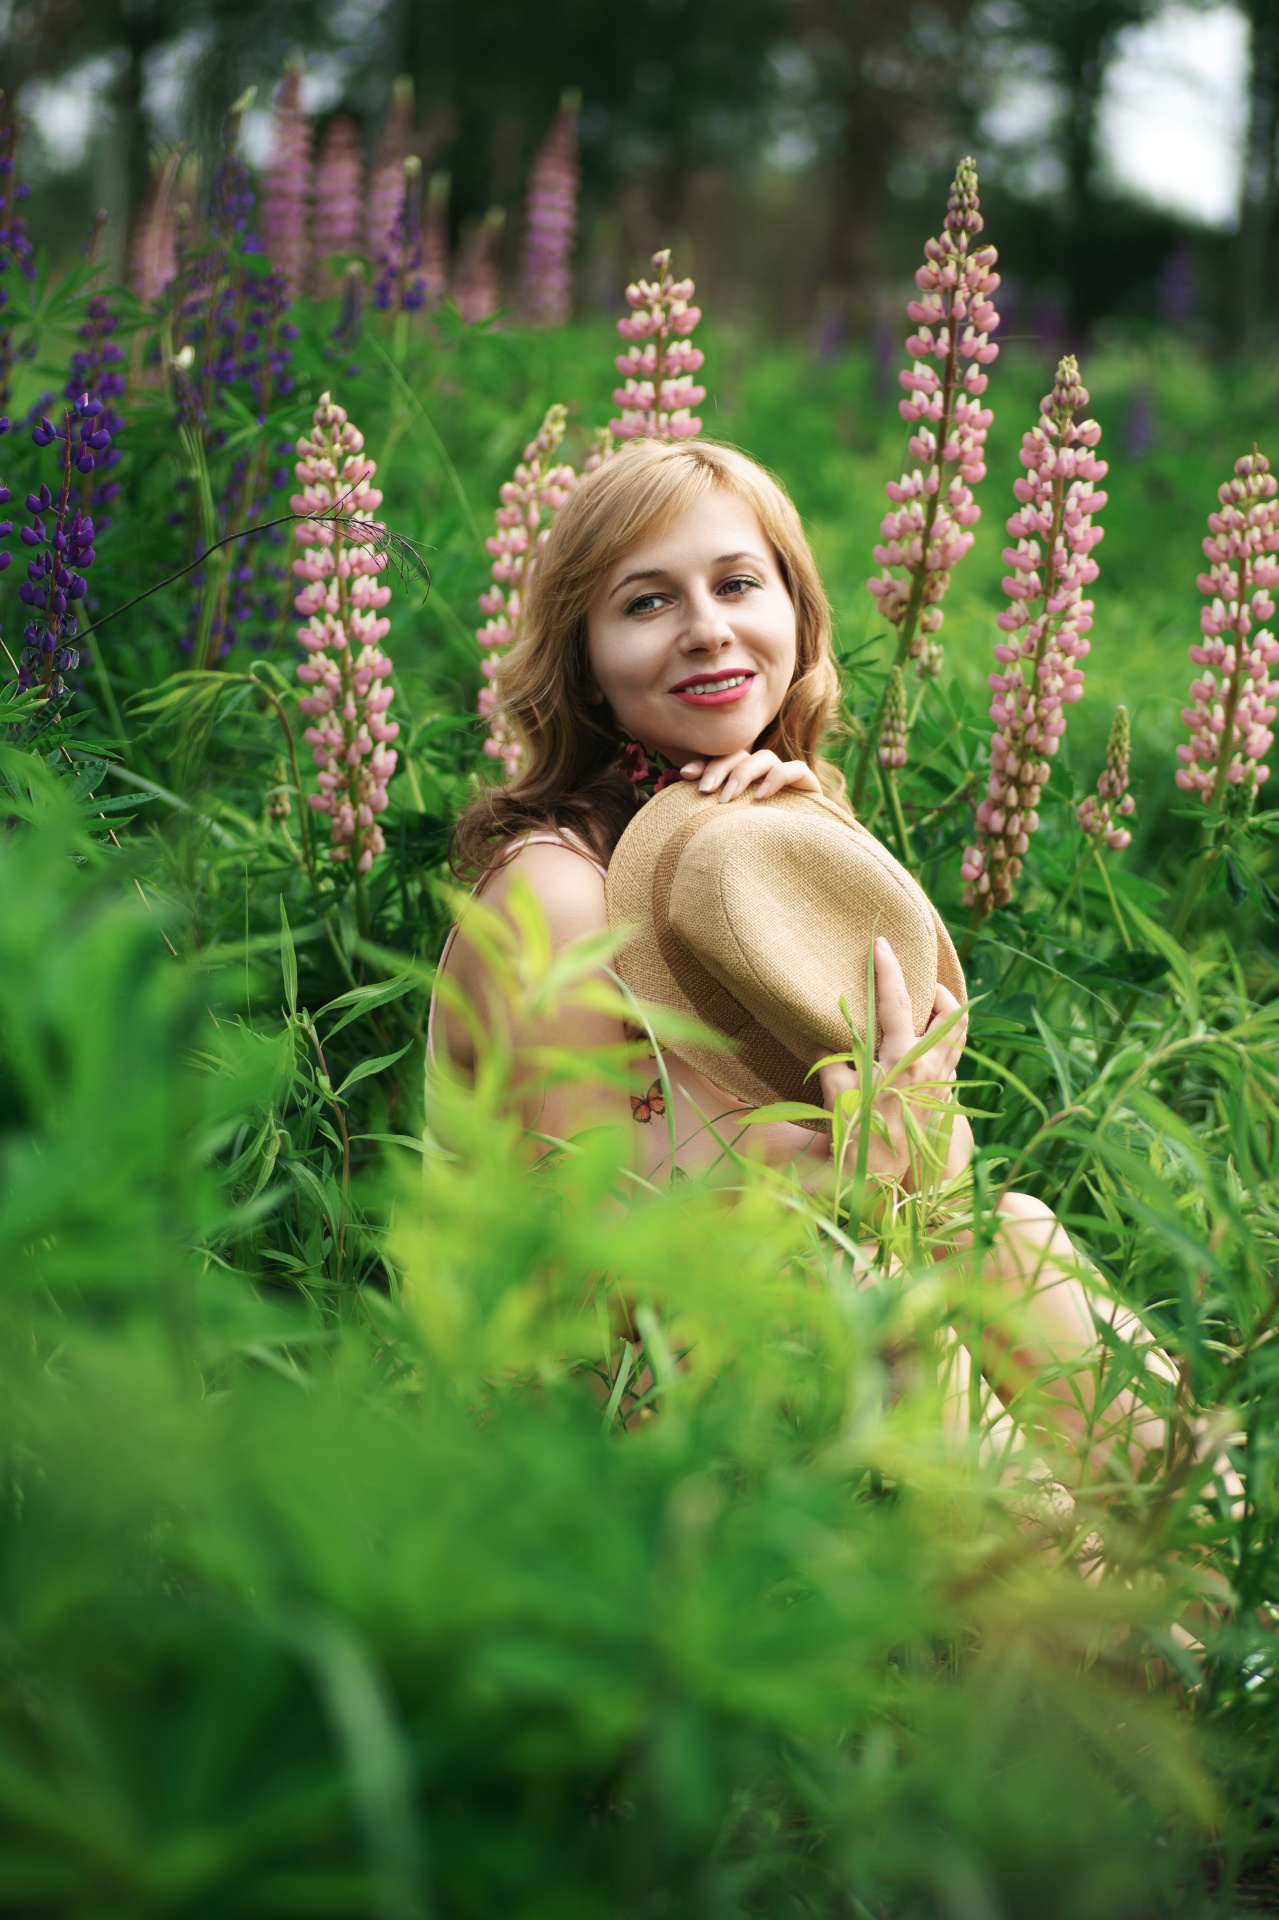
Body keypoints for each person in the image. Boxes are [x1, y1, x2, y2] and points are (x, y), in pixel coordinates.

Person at [433, 438, 1166, 1476]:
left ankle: (1218, 1605)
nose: (707, 628)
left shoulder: (779, 854)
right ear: (585, 667)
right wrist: (848, 1180)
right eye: (646, 603)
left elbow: (930, 1196)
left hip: (798, 1339)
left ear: (794, 616)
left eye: (738, 583)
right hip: (603, 1434)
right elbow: (594, 1276)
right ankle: (1158, 1614)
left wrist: (817, 851)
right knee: (936, 1270)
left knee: (1006, 1229)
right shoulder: (555, 891)